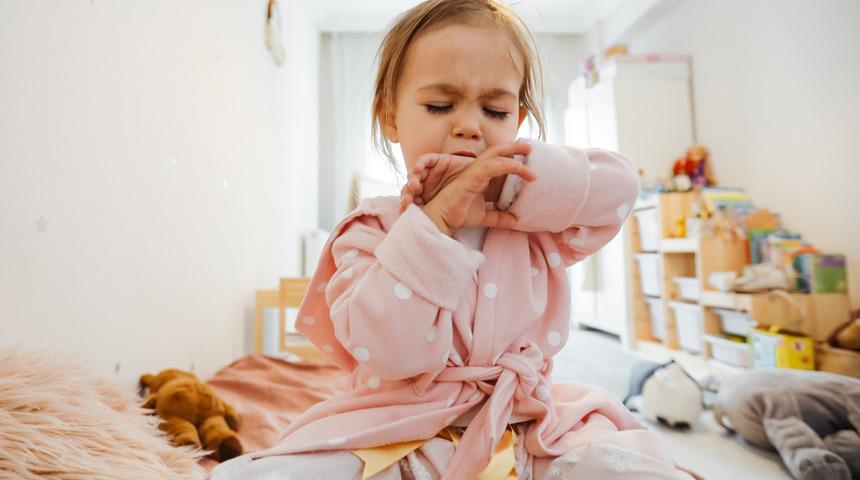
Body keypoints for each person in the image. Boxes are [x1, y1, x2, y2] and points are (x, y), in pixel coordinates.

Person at [211, 1, 695, 478]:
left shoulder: (534, 221)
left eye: (495, 109)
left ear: (518, 122)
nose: (469, 125)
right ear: (390, 118)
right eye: (439, 105)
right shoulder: (370, 230)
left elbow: (619, 188)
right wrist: (435, 223)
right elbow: (391, 353)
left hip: (525, 426)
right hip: (397, 430)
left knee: (637, 464)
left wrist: (514, 184)